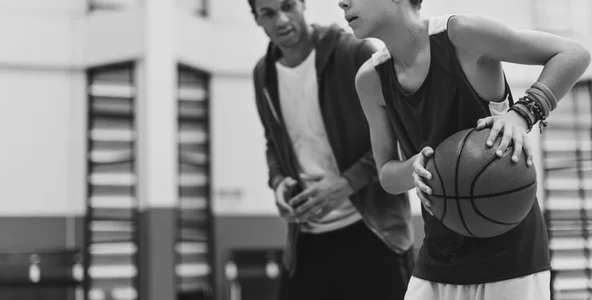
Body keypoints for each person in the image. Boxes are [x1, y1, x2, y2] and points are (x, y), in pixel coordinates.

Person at [340, 0, 591, 299]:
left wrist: (522, 113)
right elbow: (386, 176)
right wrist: (414, 168)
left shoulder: (463, 35)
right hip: (438, 254)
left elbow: (574, 54)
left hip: (510, 252)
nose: (341, 2)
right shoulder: (370, 79)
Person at [248, 0, 415, 299]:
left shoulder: (354, 53)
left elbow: (403, 136)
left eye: (288, 6)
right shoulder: (263, 74)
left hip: (373, 230)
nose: (282, 19)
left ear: (302, 4)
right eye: (269, 13)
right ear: (257, 19)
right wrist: (277, 182)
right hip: (308, 237)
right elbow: (273, 143)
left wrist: (346, 183)